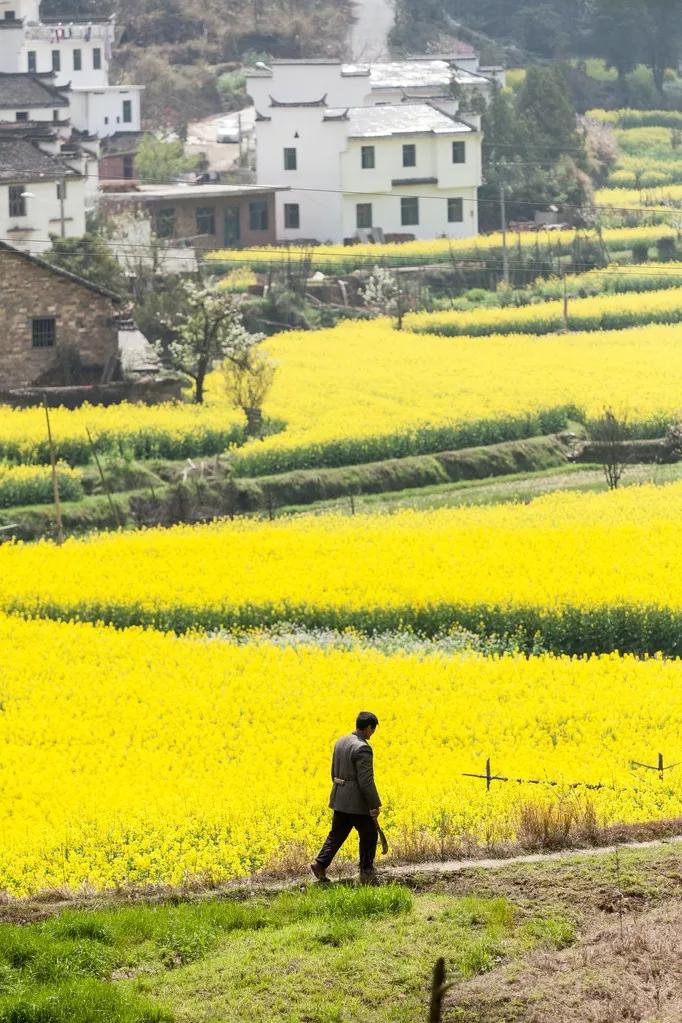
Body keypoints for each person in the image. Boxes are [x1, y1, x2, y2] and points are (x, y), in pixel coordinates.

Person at [310, 711, 382, 884]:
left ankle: (319, 863)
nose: (373, 733)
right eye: (373, 729)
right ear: (368, 728)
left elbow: (333, 772)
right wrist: (374, 804)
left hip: (339, 798)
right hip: (356, 802)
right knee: (369, 834)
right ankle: (366, 870)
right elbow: (366, 781)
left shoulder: (340, 742)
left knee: (337, 833)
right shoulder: (363, 748)